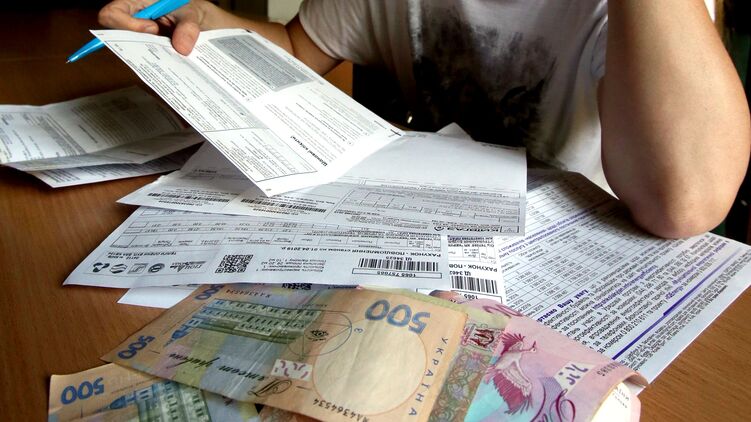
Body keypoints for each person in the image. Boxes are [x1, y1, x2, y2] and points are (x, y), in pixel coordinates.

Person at [98, 0, 751, 239]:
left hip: (576, 271)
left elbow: (685, 202)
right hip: (418, 244)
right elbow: (298, 48)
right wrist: (210, 25)